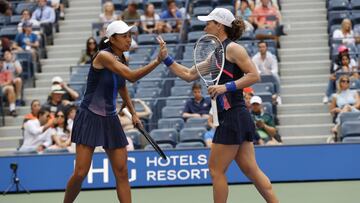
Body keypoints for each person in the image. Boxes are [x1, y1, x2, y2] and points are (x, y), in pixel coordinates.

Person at [159, 8, 279, 203]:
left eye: (209, 22)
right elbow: (189, 74)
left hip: (233, 115)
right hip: (234, 116)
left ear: (220, 26)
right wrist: (166, 58)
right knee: (251, 169)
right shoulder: (217, 53)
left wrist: (225, 87)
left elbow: (254, 75)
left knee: (216, 171)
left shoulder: (233, 49)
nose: (205, 25)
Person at [63, 20, 167, 203]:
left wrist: (133, 112)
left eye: (130, 35)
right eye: (125, 36)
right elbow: (132, 77)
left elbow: (122, 85)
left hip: (111, 119)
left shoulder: (122, 58)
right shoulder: (103, 56)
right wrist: (158, 60)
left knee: (122, 171)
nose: (129, 40)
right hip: (90, 116)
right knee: (80, 173)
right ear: (112, 39)